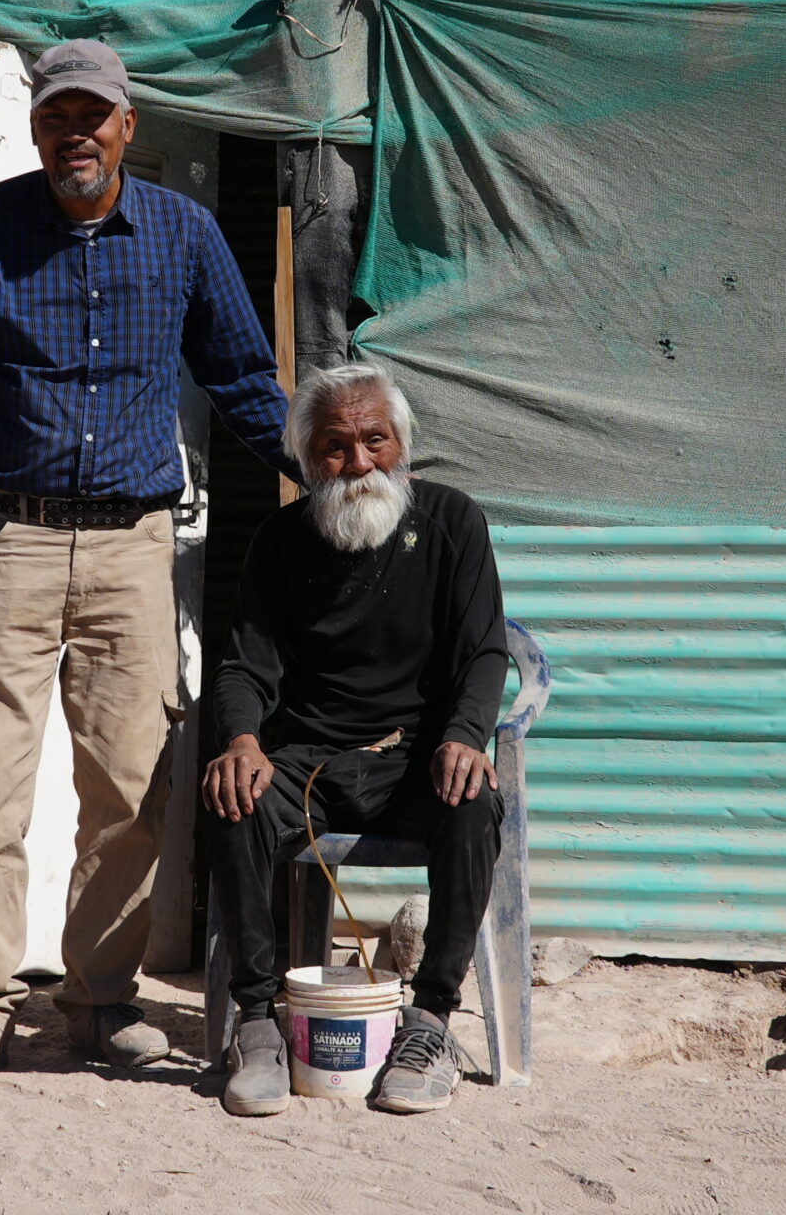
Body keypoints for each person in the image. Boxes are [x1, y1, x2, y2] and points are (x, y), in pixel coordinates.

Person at [0, 38, 296, 1085]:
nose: (73, 134)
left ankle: (101, 999)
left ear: (129, 127)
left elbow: (242, 374)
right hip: (6, 539)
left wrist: (331, 470)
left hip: (130, 545)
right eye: (54, 118)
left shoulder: (182, 232)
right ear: (36, 131)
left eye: (92, 117)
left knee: (132, 783)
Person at [204, 362, 508, 1116]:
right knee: (232, 799)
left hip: (417, 760)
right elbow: (246, 664)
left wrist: (467, 736)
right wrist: (242, 740)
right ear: (309, 461)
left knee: (473, 806)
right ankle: (257, 1019)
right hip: (308, 760)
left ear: (402, 444)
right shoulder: (279, 541)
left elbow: (485, 653)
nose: (359, 463)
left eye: (375, 440)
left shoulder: (453, 522)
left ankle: (432, 1017)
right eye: (336, 448)